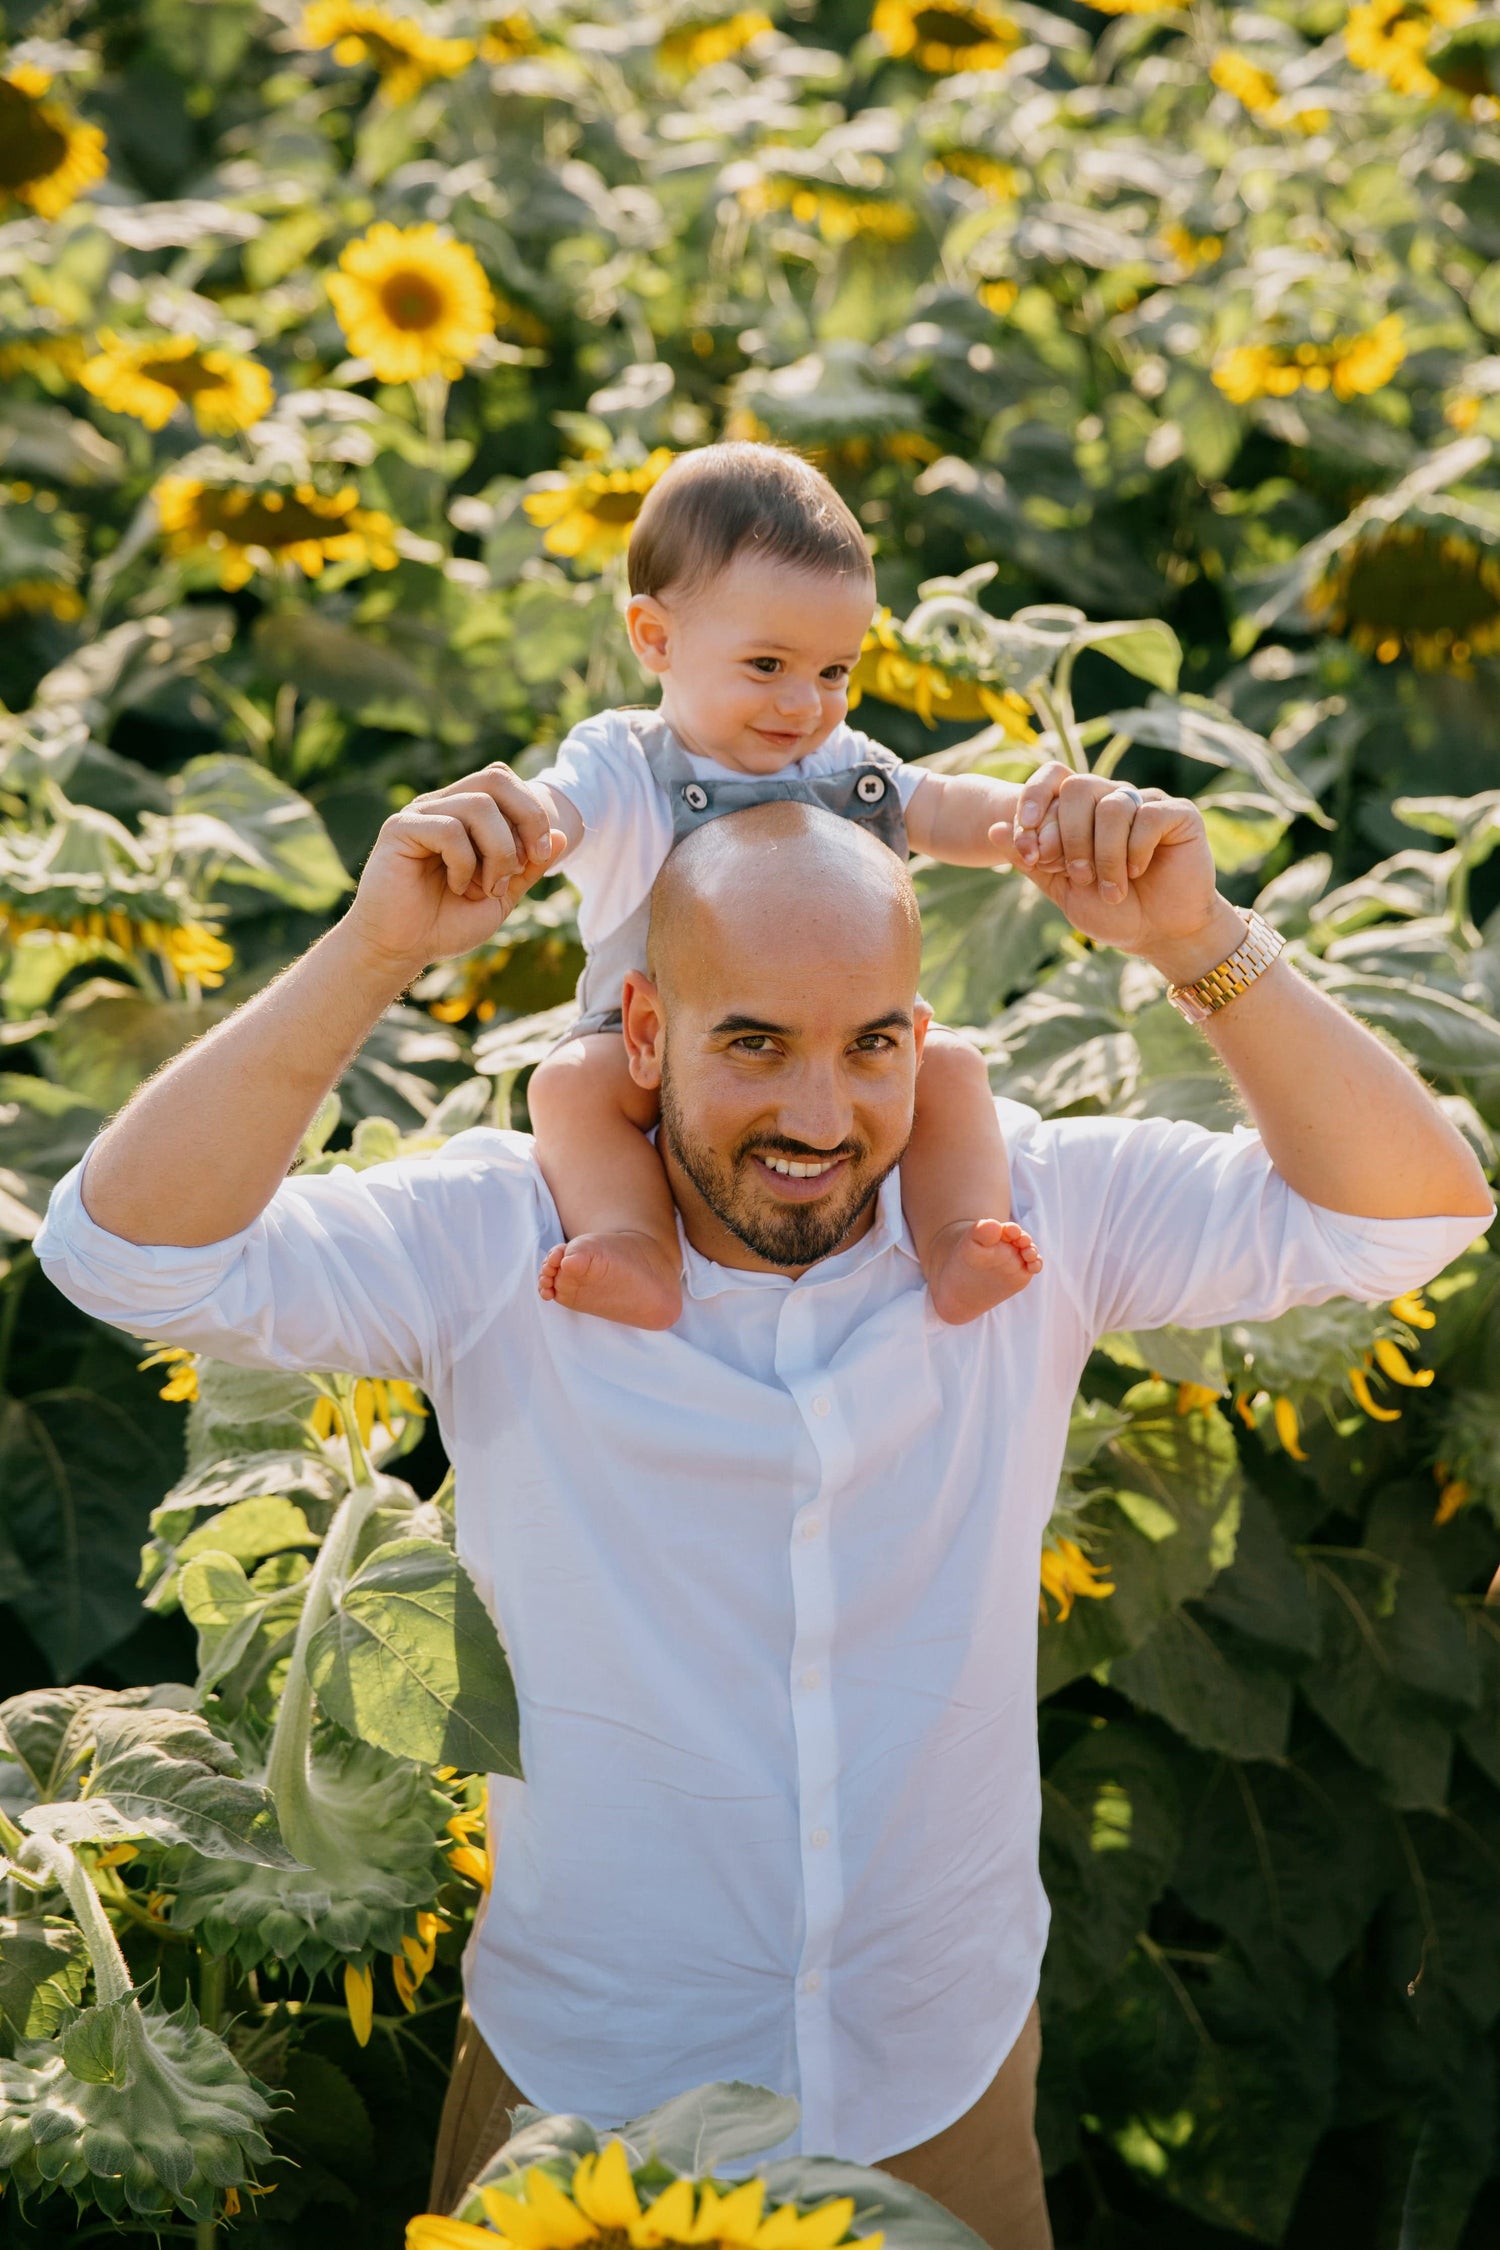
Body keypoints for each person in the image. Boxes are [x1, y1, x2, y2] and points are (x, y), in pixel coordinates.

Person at [37, 757, 1492, 2250]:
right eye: (756, 1043)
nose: (821, 1111)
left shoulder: (1039, 1214)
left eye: (872, 1045)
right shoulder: (499, 1237)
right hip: (589, 2085)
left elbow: (1412, 1213)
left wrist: (1202, 943)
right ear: (647, 1036)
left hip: (936, 2073)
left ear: (923, 1035)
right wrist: (373, 952)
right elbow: (123, 1256)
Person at [525, 441, 1043, 1332]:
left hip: (840, 1039)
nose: (804, 705)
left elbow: (945, 805)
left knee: (951, 1065)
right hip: (641, 1038)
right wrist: (514, 829)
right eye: (767, 666)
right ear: (656, 637)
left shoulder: (842, 765)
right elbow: (557, 811)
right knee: (569, 1088)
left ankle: (959, 1237)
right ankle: (636, 1246)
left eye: (834, 672)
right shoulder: (625, 761)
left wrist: (1031, 819)